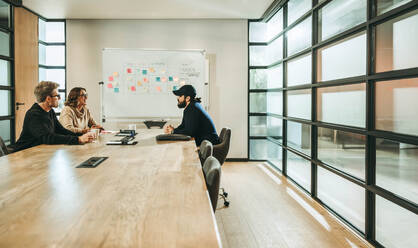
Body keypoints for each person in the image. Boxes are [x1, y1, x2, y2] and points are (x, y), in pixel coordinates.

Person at [13, 81, 94, 152]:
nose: (59, 98)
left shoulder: (50, 111)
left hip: (39, 151)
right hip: (24, 152)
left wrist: (80, 136)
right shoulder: (34, 114)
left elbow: (61, 130)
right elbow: (47, 137)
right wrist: (78, 139)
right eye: (57, 96)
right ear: (48, 99)